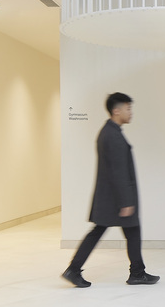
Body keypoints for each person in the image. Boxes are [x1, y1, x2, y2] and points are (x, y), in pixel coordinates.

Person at [62, 92, 159, 288]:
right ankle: (74, 269)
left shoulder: (110, 132)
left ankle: (137, 272)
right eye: (128, 108)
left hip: (111, 197)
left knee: (126, 231)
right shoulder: (112, 136)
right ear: (116, 111)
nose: (131, 112)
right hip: (115, 199)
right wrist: (126, 202)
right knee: (104, 231)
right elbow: (118, 171)